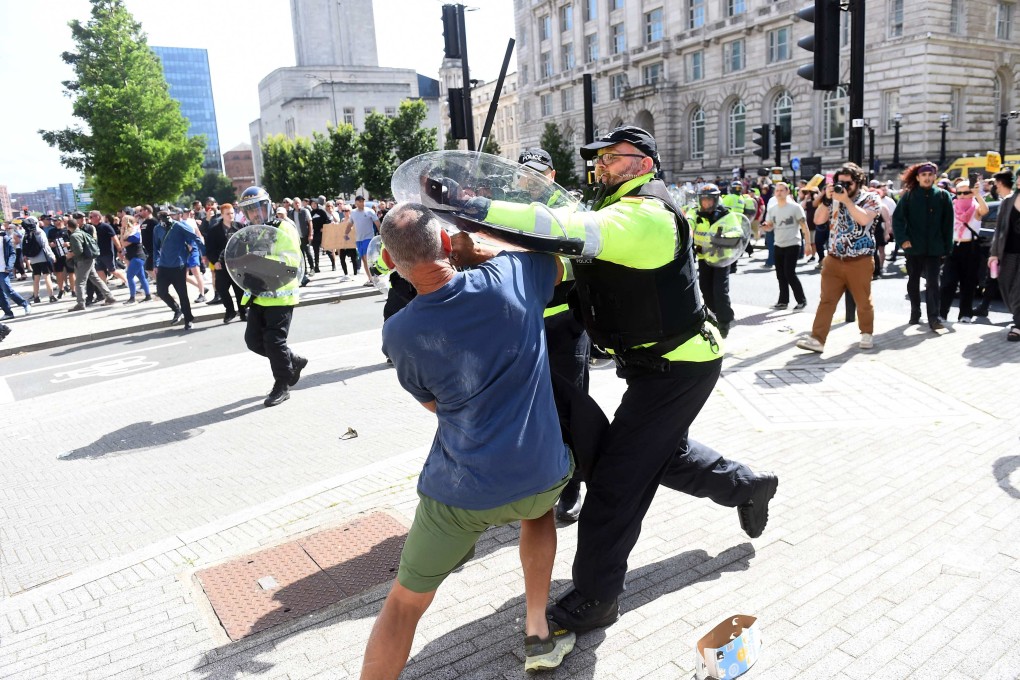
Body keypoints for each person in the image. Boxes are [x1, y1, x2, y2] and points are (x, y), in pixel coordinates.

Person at [428, 125, 778, 632]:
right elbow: (571, 267)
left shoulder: (645, 215)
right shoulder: (619, 211)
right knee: (655, 455)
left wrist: (472, 203)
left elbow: (559, 226)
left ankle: (597, 596)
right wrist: (487, 257)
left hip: (678, 368)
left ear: (643, 163)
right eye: (600, 158)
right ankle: (747, 485)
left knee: (615, 484)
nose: (601, 166)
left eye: (612, 158)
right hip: (655, 365)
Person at [362, 202, 576, 678]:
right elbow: (557, 261)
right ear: (445, 243)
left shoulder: (398, 333)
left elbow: (435, 406)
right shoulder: (513, 274)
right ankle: (538, 630)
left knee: (403, 603)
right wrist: (481, 249)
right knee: (537, 511)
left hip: (460, 492)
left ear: (393, 264)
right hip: (539, 472)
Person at [517, 146, 591, 521]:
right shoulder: (508, 211)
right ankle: (541, 477)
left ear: (552, 175)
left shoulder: (569, 212)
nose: (531, 179)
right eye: (525, 172)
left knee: (569, 409)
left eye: (538, 173)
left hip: (564, 324)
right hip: (524, 325)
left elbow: (580, 263)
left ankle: (573, 484)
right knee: (529, 408)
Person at [234, 188, 308, 407]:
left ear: (268, 206)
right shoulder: (250, 232)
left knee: (274, 342)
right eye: (250, 211)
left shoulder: (284, 227)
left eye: (257, 208)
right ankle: (292, 361)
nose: (255, 214)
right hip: (258, 293)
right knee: (253, 341)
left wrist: (263, 269)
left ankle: (282, 385)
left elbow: (291, 261)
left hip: (280, 293)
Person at [796, 162, 880, 353]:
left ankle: (866, 333)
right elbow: (818, 220)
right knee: (826, 300)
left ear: (858, 182)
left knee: (863, 300)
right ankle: (817, 339)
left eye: (848, 183)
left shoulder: (871, 198)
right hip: (834, 258)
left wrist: (847, 201)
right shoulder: (833, 198)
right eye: (839, 182)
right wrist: (827, 199)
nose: (843, 187)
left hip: (860, 260)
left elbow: (864, 219)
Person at [892, 162, 955, 331]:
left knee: (933, 283)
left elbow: (948, 225)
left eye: (930, 175)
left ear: (935, 177)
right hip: (913, 248)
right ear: (918, 177)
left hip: (934, 249)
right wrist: (903, 240)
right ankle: (915, 311)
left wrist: (947, 248)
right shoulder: (909, 196)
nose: (927, 178)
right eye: (924, 175)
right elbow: (897, 219)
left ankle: (934, 318)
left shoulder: (943, 196)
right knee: (913, 281)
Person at [688, 183, 742, 336]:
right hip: (704, 258)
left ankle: (725, 321)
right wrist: (688, 229)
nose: (706, 203)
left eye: (709, 200)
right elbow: (689, 221)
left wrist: (722, 238)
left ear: (716, 199)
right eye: (703, 200)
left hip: (721, 259)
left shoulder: (726, 215)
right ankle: (714, 315)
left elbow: (737, 233)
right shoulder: (695, 213)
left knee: (720, 291)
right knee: (705, 289)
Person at [939, 179, 988, 323]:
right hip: (954, 248)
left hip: (971, 248)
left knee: (968, 284)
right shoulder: (951, 207)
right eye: (959, 192)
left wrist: (978, 194)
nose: (961, 195)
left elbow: (985, 210)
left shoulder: (976, 206)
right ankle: (942, 314)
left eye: (966, 192)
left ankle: (965, 315)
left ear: (971, 193)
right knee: (948, 283)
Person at [762, 182, 811, 310]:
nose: (779, 193)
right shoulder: (772, 209)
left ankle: (801, 300)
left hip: (793, 243)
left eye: (781, 190)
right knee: (780, 274)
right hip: (778, 244)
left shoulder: (795, 207)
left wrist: (808, 245)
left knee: (789, 273)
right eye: (777, 191)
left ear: (787, 192)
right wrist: (766, 227)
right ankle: (783, 301)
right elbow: (770, 226)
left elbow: (804, 226)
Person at [152, 206, 202, 330]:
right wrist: (155, 263)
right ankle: (176, 309)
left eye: (167, 216)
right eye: (162, 217)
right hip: (163, 266)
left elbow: (194, 237)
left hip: (178, 266)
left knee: (182, 294)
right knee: (161, 291)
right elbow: (155, 247)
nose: (165, 218)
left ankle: (188, 319)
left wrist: (202, 252)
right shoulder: (157, 229)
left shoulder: (178, 226)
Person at [987, 169, 1020, 341]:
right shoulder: (1008, 201)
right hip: (1008, 252)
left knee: (1018, 290)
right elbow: (999, 229)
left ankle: (1018, 325)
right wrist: (994, 254)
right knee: (1006, 285)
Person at [66, 213, 117, 311]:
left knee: (79, 282)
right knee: (95, 279)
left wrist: (70, 254)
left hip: (83, 260)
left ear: (68, 227)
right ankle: (109, 297)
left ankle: (80, 303)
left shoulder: (74, 236)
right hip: (89, 259)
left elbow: (79, 251)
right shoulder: (82, 232)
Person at [205, 203, 246, 323]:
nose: (231, 215)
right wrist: (215, 261)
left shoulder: (240, 227)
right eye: (228, 214)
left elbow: (246, 244)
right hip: (222, 264)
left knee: (239, 290)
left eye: (232, 213)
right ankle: (230, 311)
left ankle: (243, 312)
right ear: (222, 215)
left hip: (238, 264)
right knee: (221, 289)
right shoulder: (214, 231)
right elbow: (210, 249)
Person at [344, 195, 382, 287]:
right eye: (360, 201)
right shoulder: (353, 213)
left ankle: (375, 277)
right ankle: (370, 278)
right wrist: (346, 234)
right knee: (364, 260)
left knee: (367, 257)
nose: (362, 203)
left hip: (368, 238)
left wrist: (381, 235)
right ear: (356, 203)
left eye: (363, 201)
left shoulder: (370, 211)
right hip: (359, 239)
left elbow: (377, 223)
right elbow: (349, 224)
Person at [21, 217, 57, 303]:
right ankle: (51, 296)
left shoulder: (26, 233)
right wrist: (52, 255)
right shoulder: (40, 232)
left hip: (33, 259)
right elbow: (45, 246)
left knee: (36, 278)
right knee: (47, 276)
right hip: (43, 257)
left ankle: (36, 297)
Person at [88, 211, 128, 288]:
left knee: (112, 270)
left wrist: (120, 250)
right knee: (99, 271)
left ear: (98, 217)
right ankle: (104, 288)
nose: (90, 219)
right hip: (97, 253)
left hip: (107, 253)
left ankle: (126, 281)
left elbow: (115, 238)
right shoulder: (91, 228)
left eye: (91, 217)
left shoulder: (106, 226)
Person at [1, 226, 32, 318]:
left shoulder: (5, 239)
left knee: (8, 290)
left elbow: (12, 254)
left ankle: (25, 304)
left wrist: (9, 266)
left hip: (3, 269)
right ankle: (8, 312)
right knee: (0, 294)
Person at [120, 215, 151, 304]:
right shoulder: (128, 232)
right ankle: (148, 296)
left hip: (137, 257)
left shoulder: (135, 232)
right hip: (133, 257)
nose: (121, 223)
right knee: (141, 277)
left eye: (123, 221)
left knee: (129, 276)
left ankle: (132, 298)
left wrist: (122, 234)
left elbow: (124, 243)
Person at [47, 215, 72, 298]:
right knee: (58, 272)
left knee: (71, 272)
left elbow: (73, 240)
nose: (54, 222)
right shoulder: (51, 231)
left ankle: (73, 289)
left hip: (68, 254)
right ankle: (61, 289)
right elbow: (49, 241)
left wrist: (69, 244)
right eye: (53, 221)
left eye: (56, 220)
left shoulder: (67, 230)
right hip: (57, 254)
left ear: (61, 221)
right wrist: (50, 244)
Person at [308, 195, 335, 273]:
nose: (314, 205)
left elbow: (328, 220)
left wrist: (324, 228)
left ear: (317, 204)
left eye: (315, 204)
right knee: (316, 251)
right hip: (315, 234)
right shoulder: (311, 213)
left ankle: (333, 264)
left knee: (328, 250)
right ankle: (316, 267)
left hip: (323, 233)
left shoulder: (322, 211)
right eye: (312, 204)